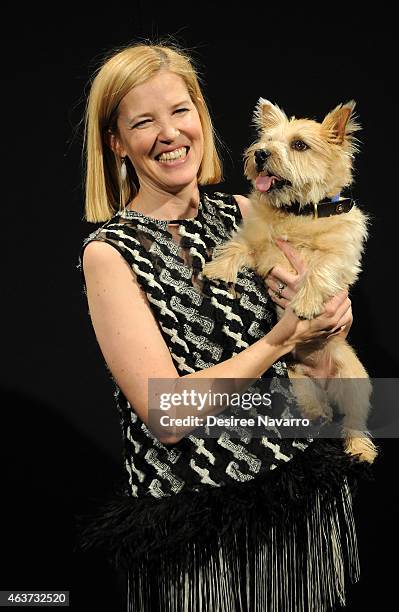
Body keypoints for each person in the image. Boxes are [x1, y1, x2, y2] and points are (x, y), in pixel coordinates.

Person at [76, 41, 371, 612]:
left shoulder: (253, 212)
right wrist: (282, 339)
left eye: (180, 111)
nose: (169, 133)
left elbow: (320, 374)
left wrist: (326, 334)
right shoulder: (110, 253)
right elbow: (166, 419)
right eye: (143, 121)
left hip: (299, 497)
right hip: (199, 525)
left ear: (201, 118)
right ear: (116, 143)